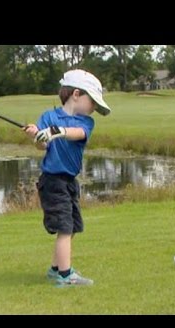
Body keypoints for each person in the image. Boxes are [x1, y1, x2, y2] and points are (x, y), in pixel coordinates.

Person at [25, 69, 111, 286]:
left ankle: (56, 269)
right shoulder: (47, 116)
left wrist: (58, 131)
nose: (93, 108)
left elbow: (77, 134)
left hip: (69, 181)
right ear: (76, 94)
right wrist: (37, 135)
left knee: (72, 226)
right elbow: (42, 145)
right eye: (92, 101)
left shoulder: (85, 122)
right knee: (64, 227)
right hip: (53, 181)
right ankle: (65, 275)